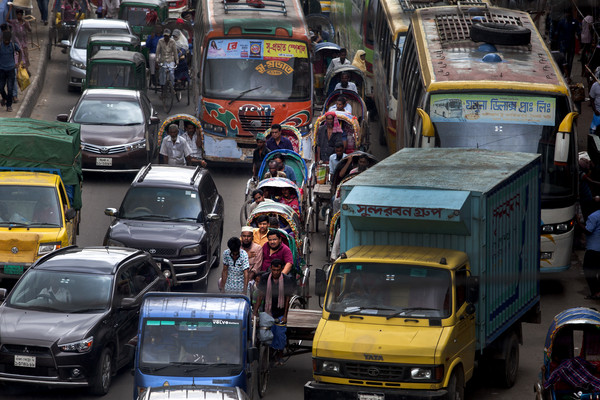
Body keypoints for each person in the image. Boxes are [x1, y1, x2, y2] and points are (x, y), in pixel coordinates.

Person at [253, 258, 296, 365]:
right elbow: (260, 296)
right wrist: (255, 312)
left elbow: (287, 299)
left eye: (278, 270)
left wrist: (285, 315)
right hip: (268, 311)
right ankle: (269, 353)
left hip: (281, 311)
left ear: (281, 269)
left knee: (280, 334)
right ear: (271, 269)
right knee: (266, 334)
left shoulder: (286, 280)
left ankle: (280, 355)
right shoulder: (264, 278)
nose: (275, 273)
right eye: (273, 270)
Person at [0, 31, 21, 112]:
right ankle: (4, 98)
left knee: (10, 88)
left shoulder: (13, 45)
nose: (6, 42)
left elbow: (20, 51)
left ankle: (9, 105)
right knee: (1, 87)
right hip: (1, 70)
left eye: (8, 40)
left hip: (11, 70)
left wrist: (18, 63)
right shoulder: (0, 46)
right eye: (5, 40)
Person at [584, 208, 600, 299]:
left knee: (588, 270)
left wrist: (578, 222)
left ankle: (596, 293)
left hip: (593, 249)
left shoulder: (594, 216)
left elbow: (588, 230)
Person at [590, 67, 600, 135]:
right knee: (594, 130)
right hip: (598, 112)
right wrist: (595, 110)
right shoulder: (595, 86)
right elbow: (591, 98)